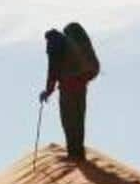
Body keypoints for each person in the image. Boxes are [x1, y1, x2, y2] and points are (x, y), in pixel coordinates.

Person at [40, 23, 98, 162]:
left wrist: (48, 91)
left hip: (68, 87)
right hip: (81, 86)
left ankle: (74, 155)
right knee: (79, 120)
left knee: (68, 121)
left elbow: (52, 69)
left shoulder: (55, 44)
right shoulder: (72, 45)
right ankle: (78, 153)